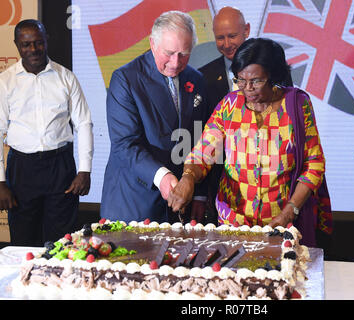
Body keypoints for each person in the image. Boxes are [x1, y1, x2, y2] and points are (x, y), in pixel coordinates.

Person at [168, 38, 332, 247]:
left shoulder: (296, 106)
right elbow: (203, 152)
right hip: (233, 224)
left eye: (256, 81)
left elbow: (314, 164)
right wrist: (188, 177)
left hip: (282, 223)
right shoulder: (229, 105)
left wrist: (291, 210)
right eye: (241, 80)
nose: (248, 89)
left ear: (273, 76)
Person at [100, 11, 209, 223]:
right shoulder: (126, 79)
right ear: (152, 43)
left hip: (181, 203)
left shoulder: (197, 80)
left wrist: (198, 193)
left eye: (184, 54)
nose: (176, 63)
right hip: (134, 202)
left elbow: (202, 140)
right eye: (169, 53)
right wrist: (162, 177)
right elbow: (124, 145)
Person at [0, 19, 94, 246]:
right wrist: (0, 182)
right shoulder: (5, 82)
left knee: (63, 241)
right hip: (22, 168)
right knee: (23, 241)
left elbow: (84, 124)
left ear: (46, 41)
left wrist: (85, 171)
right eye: (26, 44)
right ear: (17, 45)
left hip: (60, 167)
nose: (33, 49)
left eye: (38, 43)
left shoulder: (66, 77)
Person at [198, 7, 293, 225]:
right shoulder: (204, 76)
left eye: (232, 36)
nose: (227, 43)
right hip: (222, 186)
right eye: (220, 37)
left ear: (246, 30)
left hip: (274, 190)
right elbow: (203, 139)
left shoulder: (275, 70)